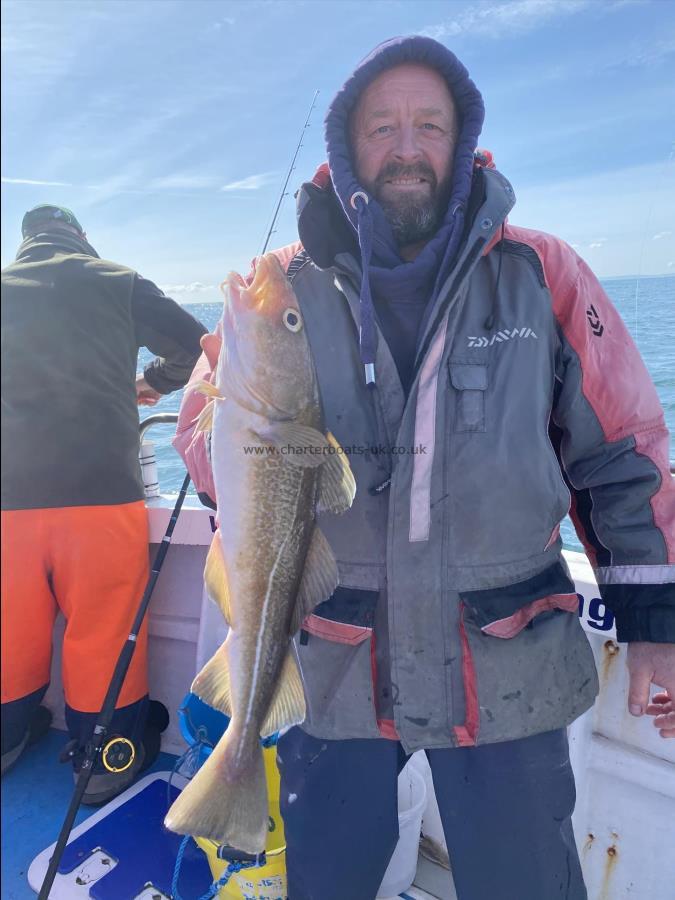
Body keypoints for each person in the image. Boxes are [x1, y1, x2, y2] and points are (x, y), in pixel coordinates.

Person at [177, 36, 674, 900]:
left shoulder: (540, 273)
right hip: (333, 661)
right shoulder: (281, 291)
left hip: (504, 663)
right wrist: (218, 410)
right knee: (326, 882)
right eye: (382, 127)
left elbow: (624, 453)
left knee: (527, 885)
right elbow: (208, 461)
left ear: (460, 139)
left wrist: (655, 624)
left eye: (428, 125)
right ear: (346, 146)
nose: (406, 147)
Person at [1, 204, 208, 803]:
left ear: (25, 244)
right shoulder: (118, 280)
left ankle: (7, 738)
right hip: (99, 501)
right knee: (105, 631)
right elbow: (200, 348)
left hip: (7, 509)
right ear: (82, 239)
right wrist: (153, 386)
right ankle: (104, 763)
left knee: (8, 633)